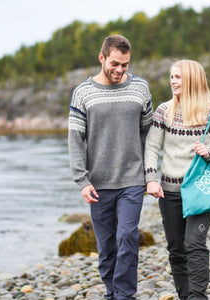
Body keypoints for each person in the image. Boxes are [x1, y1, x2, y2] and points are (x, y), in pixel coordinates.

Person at [67, 34, 153, 300]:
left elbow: (149, 136)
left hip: (132, 180)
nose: (119, 70)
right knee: (106, 247)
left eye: (125, 65)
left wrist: (150, 176)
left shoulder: (140, 89)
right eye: (115, 63)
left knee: (127, 237)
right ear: (102, 58)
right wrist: (82, 180)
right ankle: (111, 292)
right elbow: (75, 140)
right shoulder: (83, 93)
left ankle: (124, 296)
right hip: (98, 184)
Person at [144, 59, 210, 300]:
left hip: (201, 190)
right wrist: (151, 179)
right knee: (176, 249)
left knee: (194, 243)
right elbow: (151, 148)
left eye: (178, 77)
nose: (173, 81)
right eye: (172, 77)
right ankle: (186, 296)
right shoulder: (164, 111)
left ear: (193, 80)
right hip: (169, 191)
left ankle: (197, 297)